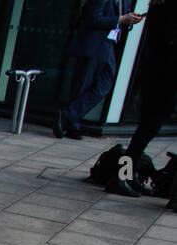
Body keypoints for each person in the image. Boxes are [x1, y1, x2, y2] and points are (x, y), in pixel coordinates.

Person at [54, 0, 144, 140]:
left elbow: (122, 20)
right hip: (94, 44)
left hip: (109, 44)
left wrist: (130, 20)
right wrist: (121, 19)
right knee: (83, 85)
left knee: (104, 86)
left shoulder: (126, 1)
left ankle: (68, 115)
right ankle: (73, 124)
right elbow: (93, 18)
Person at [120, 0, 177, 205]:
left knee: (143, 132)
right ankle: (122, 175)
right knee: (145, 132)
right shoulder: (169, 11)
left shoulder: (159, 9)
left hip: (155, 79)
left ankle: (127, 174)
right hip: (164, 82)